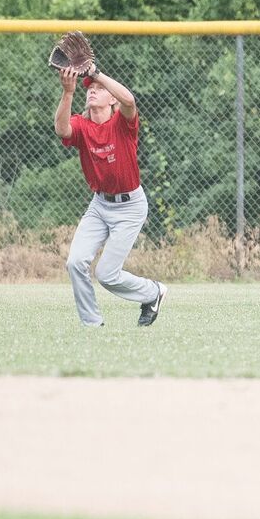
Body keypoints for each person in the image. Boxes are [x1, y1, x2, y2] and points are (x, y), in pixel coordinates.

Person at [54, 63, 167, 328]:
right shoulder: (82, 125)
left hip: (130, 206)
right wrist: (68, 92)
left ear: (111, 98)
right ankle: (92, 324)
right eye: (89, 89)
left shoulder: (122, 124)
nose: (92, 91)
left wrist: (96, 72)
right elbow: (61, 130)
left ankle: (153, 293)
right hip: (100, 205)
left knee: (106, 274)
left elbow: (129, 99)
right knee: (75, 262)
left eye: (98, 89)